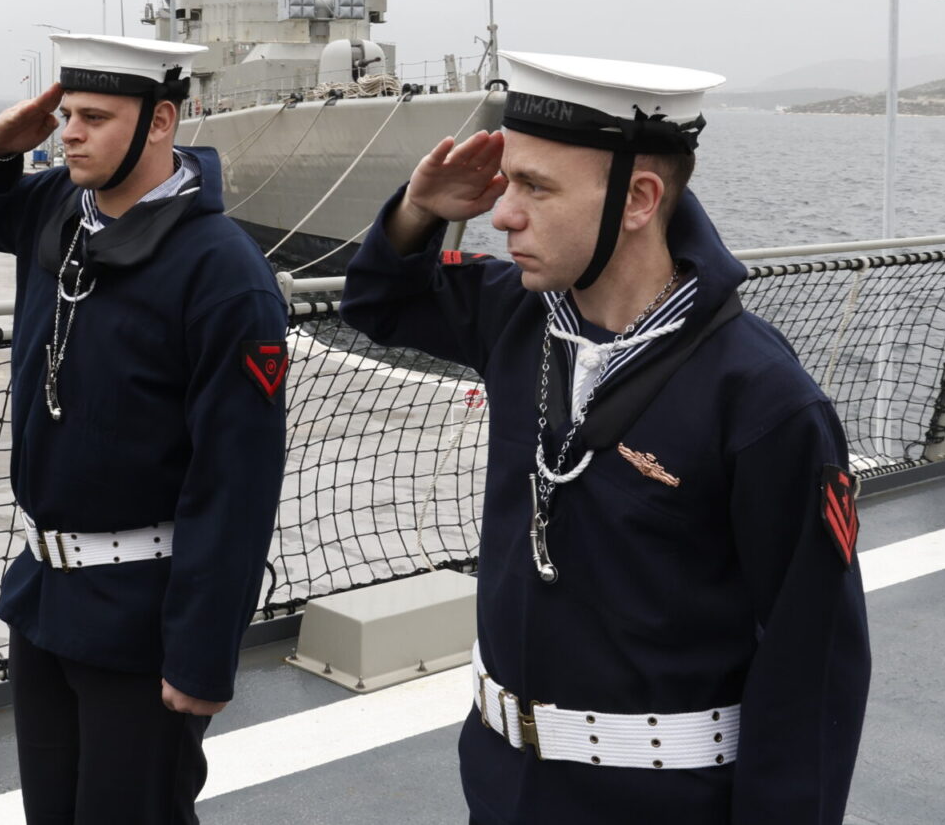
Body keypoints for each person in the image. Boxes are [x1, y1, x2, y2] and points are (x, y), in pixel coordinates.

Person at [341, 51, 870, 825]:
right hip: (502, 784)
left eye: (535, 187)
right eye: (508, 183)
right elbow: (377, 302)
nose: (503, 215)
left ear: (639, 200)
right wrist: (419, 208)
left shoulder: (762, 398)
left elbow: (812, 662)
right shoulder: (519, 315)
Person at [0, 33, 288, 825]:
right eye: (67, 115)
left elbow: (237, 482)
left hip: (142, 619)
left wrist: (202, 655)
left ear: (161, 122)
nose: (70, 135)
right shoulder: (56, 206)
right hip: (45, 601)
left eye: (95, 118)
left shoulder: (223, 271)